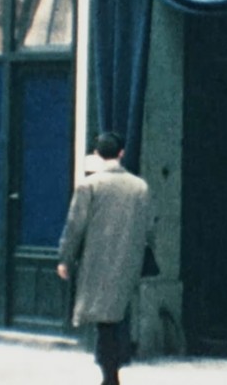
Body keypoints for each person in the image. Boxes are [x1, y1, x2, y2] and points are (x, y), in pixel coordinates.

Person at [58, 132, 155, 385]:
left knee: (103, 320)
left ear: (98, 155)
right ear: (121, 153)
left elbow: (75, 226)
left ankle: (109, 374)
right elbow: (148, 228)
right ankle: (114, 371)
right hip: (127, 260)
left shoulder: (89, 186)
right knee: (118, 315)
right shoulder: (140, 187)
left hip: (97, 261)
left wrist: (65, 258)